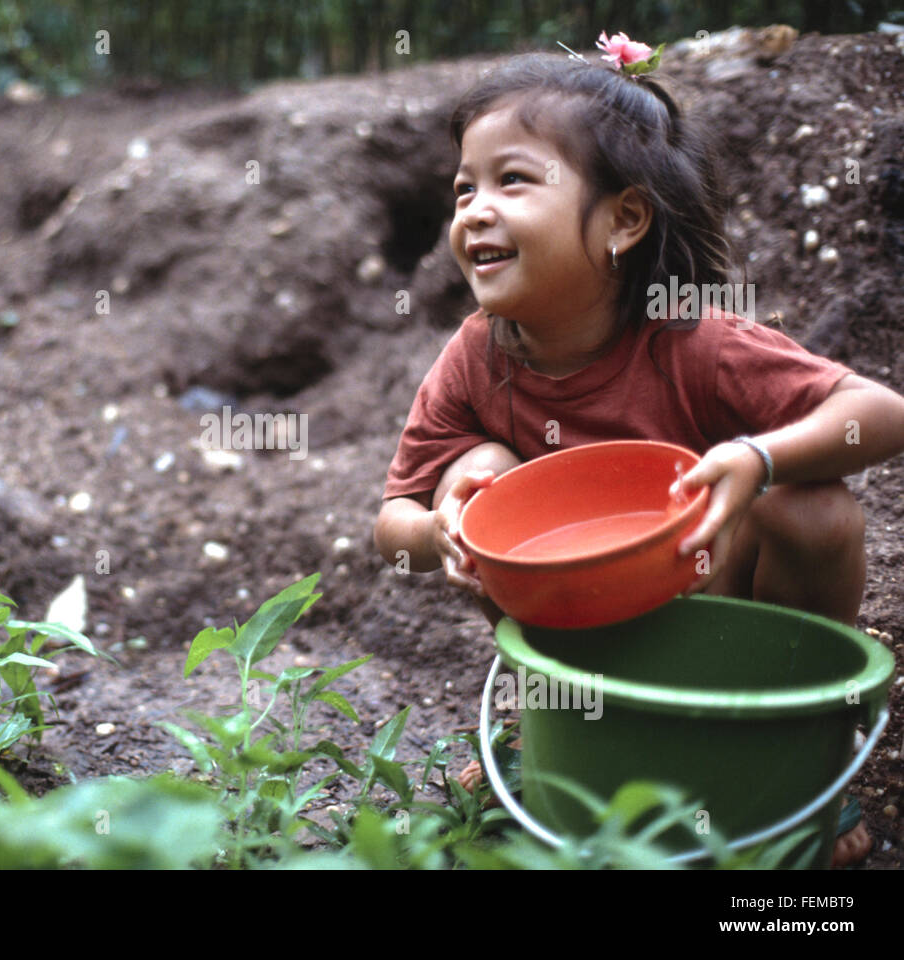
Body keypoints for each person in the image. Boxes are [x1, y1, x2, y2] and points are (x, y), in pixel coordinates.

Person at [371, 36, 904, 868]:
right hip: (577, 646)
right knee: (485, 476)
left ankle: (806, 759)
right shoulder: (475, 357)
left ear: (624, 218)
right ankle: (551, 725)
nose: (473, 209)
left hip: (721, 638)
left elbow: (879, 413)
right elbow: (391, 521)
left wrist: (757, 460)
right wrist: (440, 528)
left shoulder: (694, 339)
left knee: (813, 505)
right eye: (464, 187)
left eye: (512, 180)